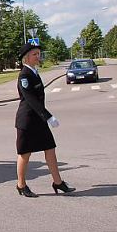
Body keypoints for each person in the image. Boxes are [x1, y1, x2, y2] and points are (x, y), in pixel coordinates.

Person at [15, 43, 75, 197]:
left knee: (50, 149)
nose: (38, 56)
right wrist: (48, 116)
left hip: (39, 120)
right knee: (25, 153)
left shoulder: (34, 72)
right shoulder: (24, 75)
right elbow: (30, 100)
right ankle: (21, 185)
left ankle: (58, 182)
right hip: (27, 121)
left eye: (38, 53)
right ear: (26, 58)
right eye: (35, 54)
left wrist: (44, 117)